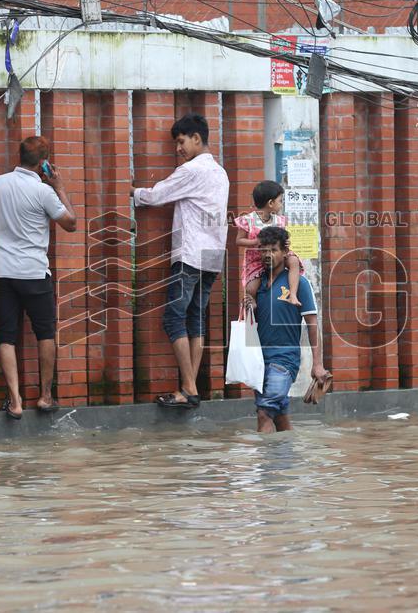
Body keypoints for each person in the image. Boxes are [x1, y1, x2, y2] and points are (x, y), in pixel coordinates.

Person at [131, 113, 230, 409]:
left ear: (196, 139)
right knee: (196, 318)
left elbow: (157, 195)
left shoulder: (192, 170)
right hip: (213, 254)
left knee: (173, 318)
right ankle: (191, 386)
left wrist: (130, 192)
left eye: (181, 141)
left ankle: (188, 388)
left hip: (190, 253)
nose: (178, 148)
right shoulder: (220, 172)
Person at [0, 136, 77, 418]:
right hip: (34, 271)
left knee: (6, 335)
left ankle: (14, 401)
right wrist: (60, 188)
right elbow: (71, 224)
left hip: (2, 271)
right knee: (45, 332)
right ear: (44, 163)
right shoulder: (43, 192)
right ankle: (45, 396)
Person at [243, 226, 330, 433]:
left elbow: (312, 324)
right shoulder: (258, 283)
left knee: (264, 412)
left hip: (284, 360)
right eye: (263, 250)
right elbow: (252, 324)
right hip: (259, 362)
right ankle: (288, 460)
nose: (267, 255)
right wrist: (252, 308)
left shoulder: (299, 283)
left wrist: (317, 364)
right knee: (280, 415)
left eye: (273, 250)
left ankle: (265, 465)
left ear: (285, 252)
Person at [234, 180, 303, 307]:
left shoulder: (279, 220)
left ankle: (293, 294)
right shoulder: (248, 220)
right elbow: (238, 240)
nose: (281, 205)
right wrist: (254, 242)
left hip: (277, 257)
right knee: (250, 288)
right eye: (280, 201)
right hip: (256, 259)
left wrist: (286, 242)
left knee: (293, 261)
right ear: (270, 203)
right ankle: (252, 302)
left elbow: (283, 238)